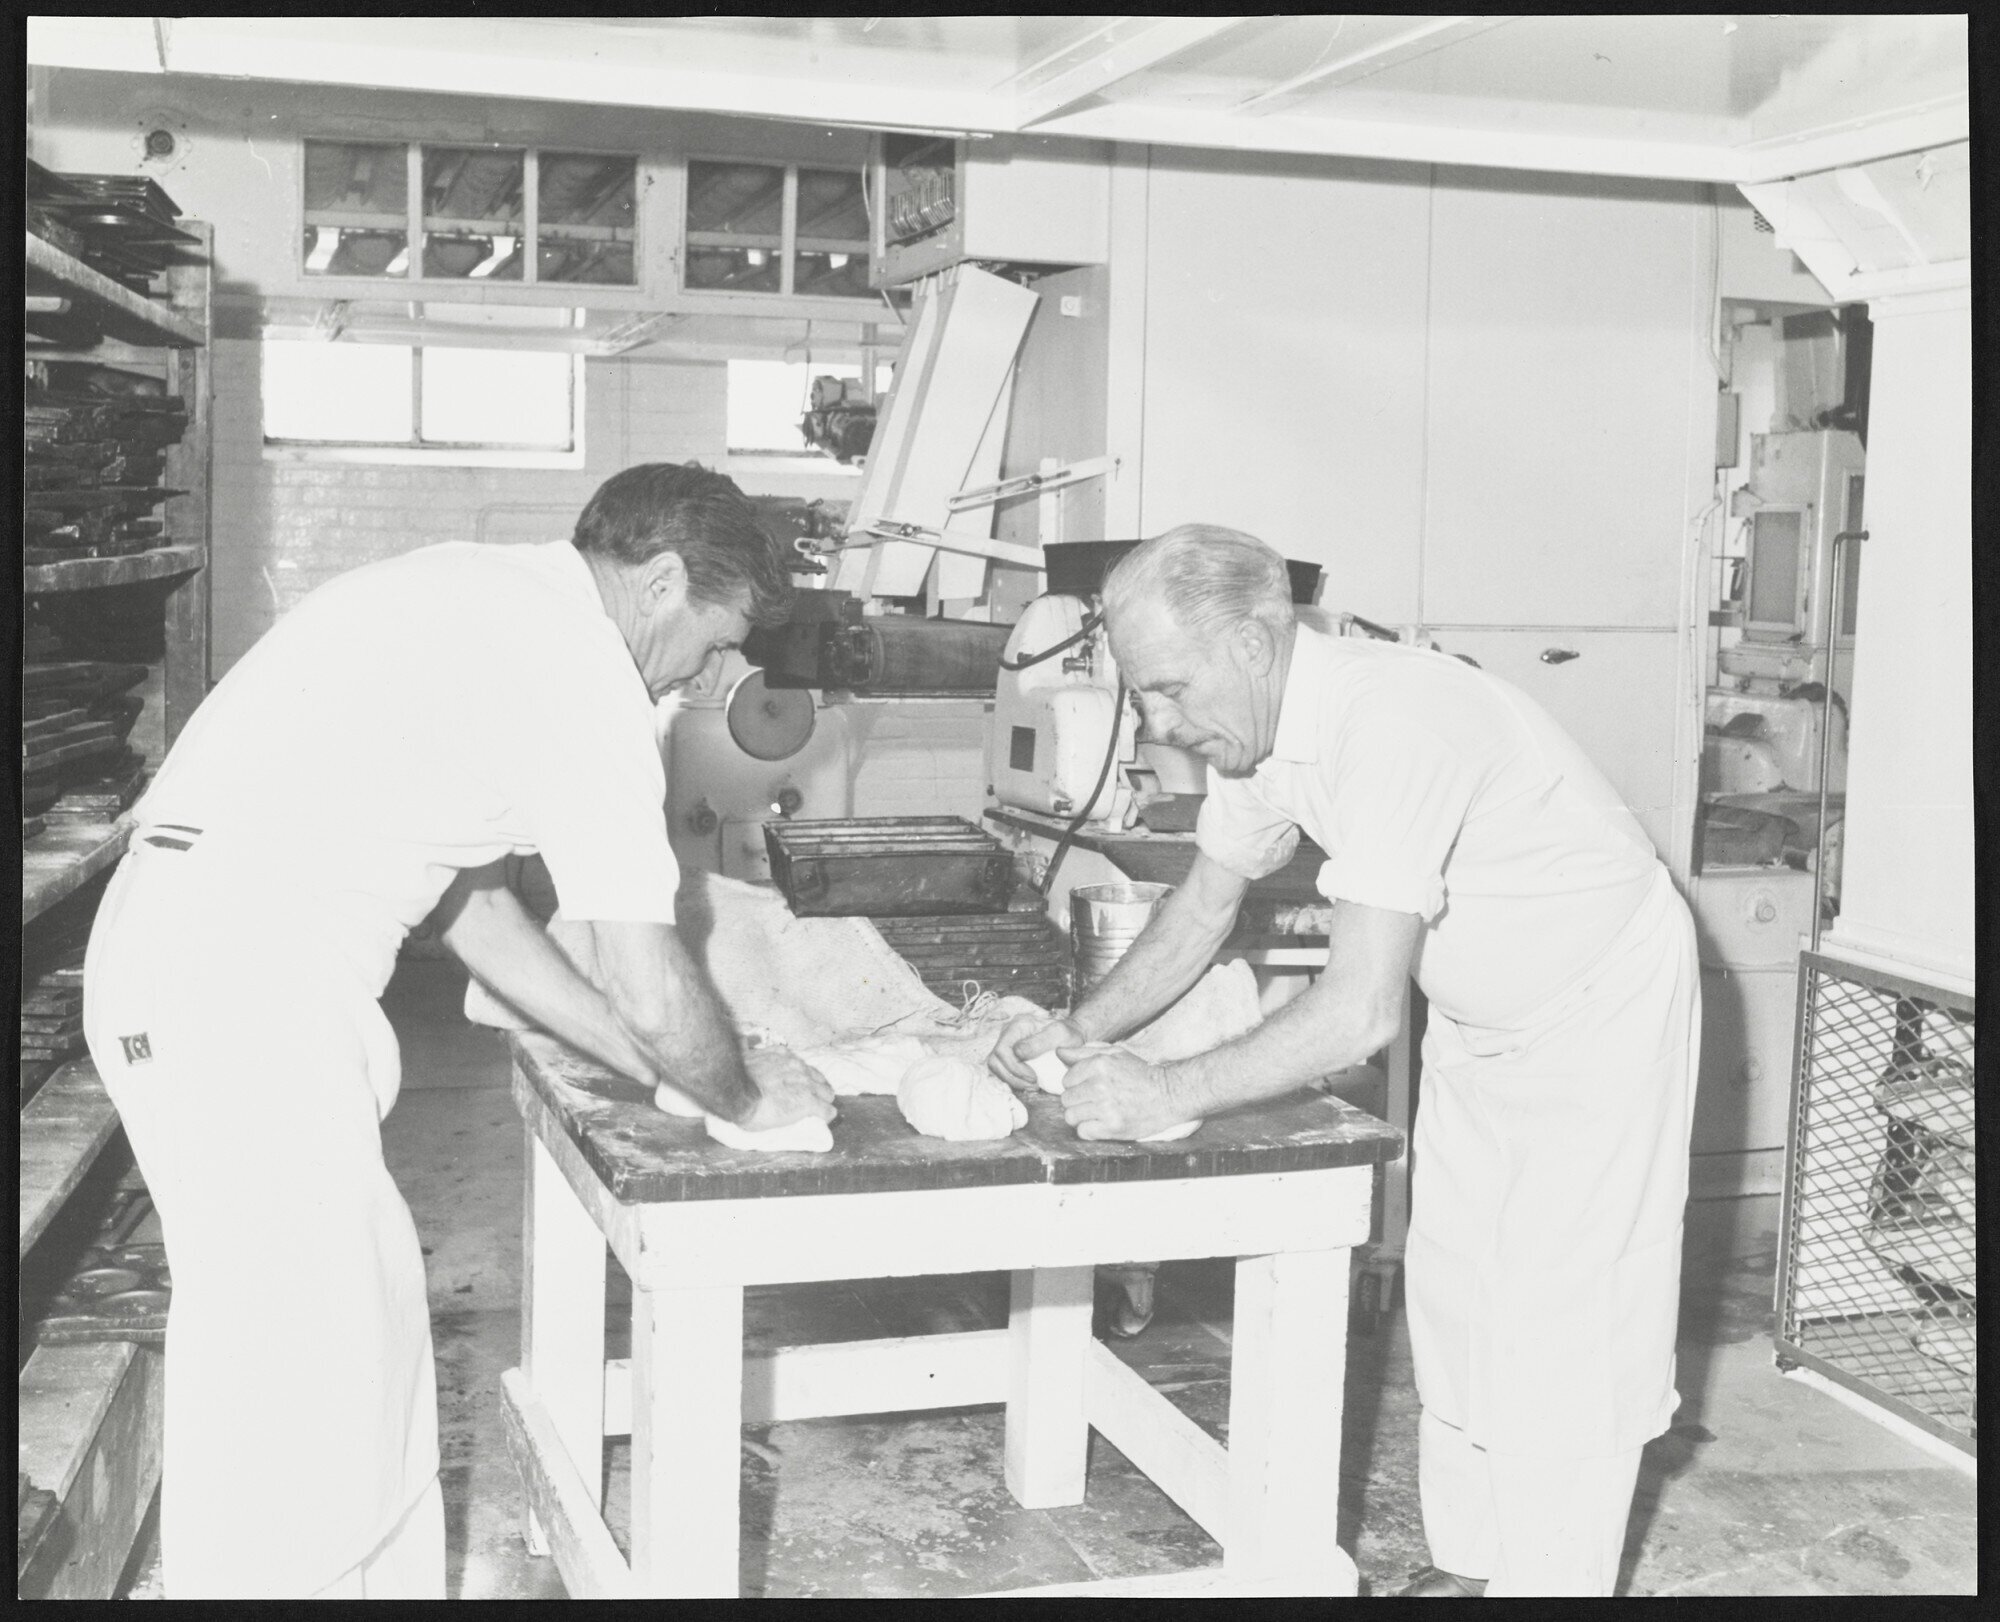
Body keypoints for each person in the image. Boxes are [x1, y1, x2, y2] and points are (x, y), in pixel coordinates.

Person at [81, 462, 835, 1599]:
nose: (714, 671)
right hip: (233, 985)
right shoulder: (581, 667)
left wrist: (651, 1063)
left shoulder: (479, 598)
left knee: (358, 1351)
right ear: (664, 580)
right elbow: (636, 955)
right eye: (719, 639)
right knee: (305, 1393)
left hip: (203, 961)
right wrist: (740, 1094)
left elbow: (472, 907)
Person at [989, 525, 1699, 1598]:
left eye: (1169, 690)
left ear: (1252, 642)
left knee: (1565, 1322)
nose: (1162, 724)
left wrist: (1164, 1091)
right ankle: (1470, 1565)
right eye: (1144, 697)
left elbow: (1360, 1008)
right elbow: (1198, 909)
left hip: (1600, 1003)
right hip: (1478, 1006)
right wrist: (1082, 1032)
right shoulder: (1259, 733)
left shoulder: (1391, 721)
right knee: (1457, 1288)